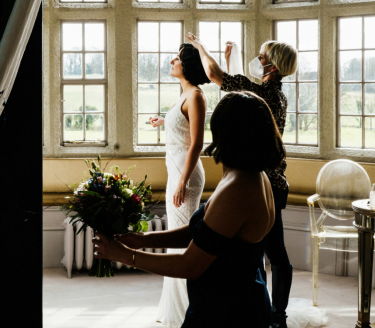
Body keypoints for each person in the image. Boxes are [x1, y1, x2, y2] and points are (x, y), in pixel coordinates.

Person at [93, 91, 283, 328]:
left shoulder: (238, 189)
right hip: (232, 302)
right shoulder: (252, 175)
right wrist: (144, 239)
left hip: (227, 313)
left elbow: (190, 266)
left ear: (228, 134)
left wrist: (124, 256)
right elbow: (206, 232)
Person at [185, 33, 298, 328]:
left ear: (273, 67)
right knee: (264, 251)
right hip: (275, 182)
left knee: (273, 253)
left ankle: (277, 316)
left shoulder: (263, 93)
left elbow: (214, 76)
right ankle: (271, 311)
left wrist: (199, 47)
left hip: (266, 184)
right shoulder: (275, 93)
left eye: (261, 58)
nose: (257, 61)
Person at [147, 43, 209, 327]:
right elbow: (182, 126)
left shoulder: (196, 95)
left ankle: (191, 310)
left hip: (187, 174)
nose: (172, 60)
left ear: (187, 65)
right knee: (176, 238)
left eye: (178, 58)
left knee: (183, 242)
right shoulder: (184, 93)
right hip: (176, 171)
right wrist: (163, 121)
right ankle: (176, 308)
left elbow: (197, 142)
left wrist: (183, 181)